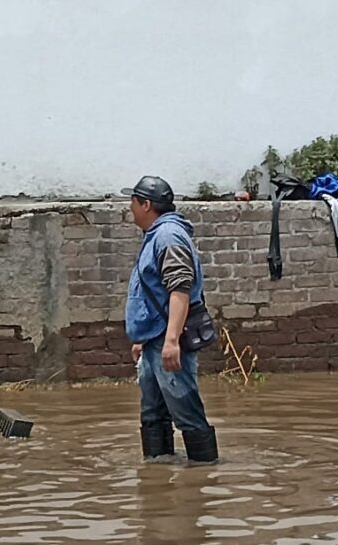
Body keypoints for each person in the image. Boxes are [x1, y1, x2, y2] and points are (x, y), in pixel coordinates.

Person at [122, 175, 219, 464]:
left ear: (146, 205)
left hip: (167, 340)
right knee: (153, 414)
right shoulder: (155, 234)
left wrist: (172, 340)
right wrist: (142, 338)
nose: (130, 208)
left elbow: (180, 289)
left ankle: (203, 471)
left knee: (186, 411)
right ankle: (157, 471)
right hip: (154, 339)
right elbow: (152, 292)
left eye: (133, 202)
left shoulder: (168, 236)